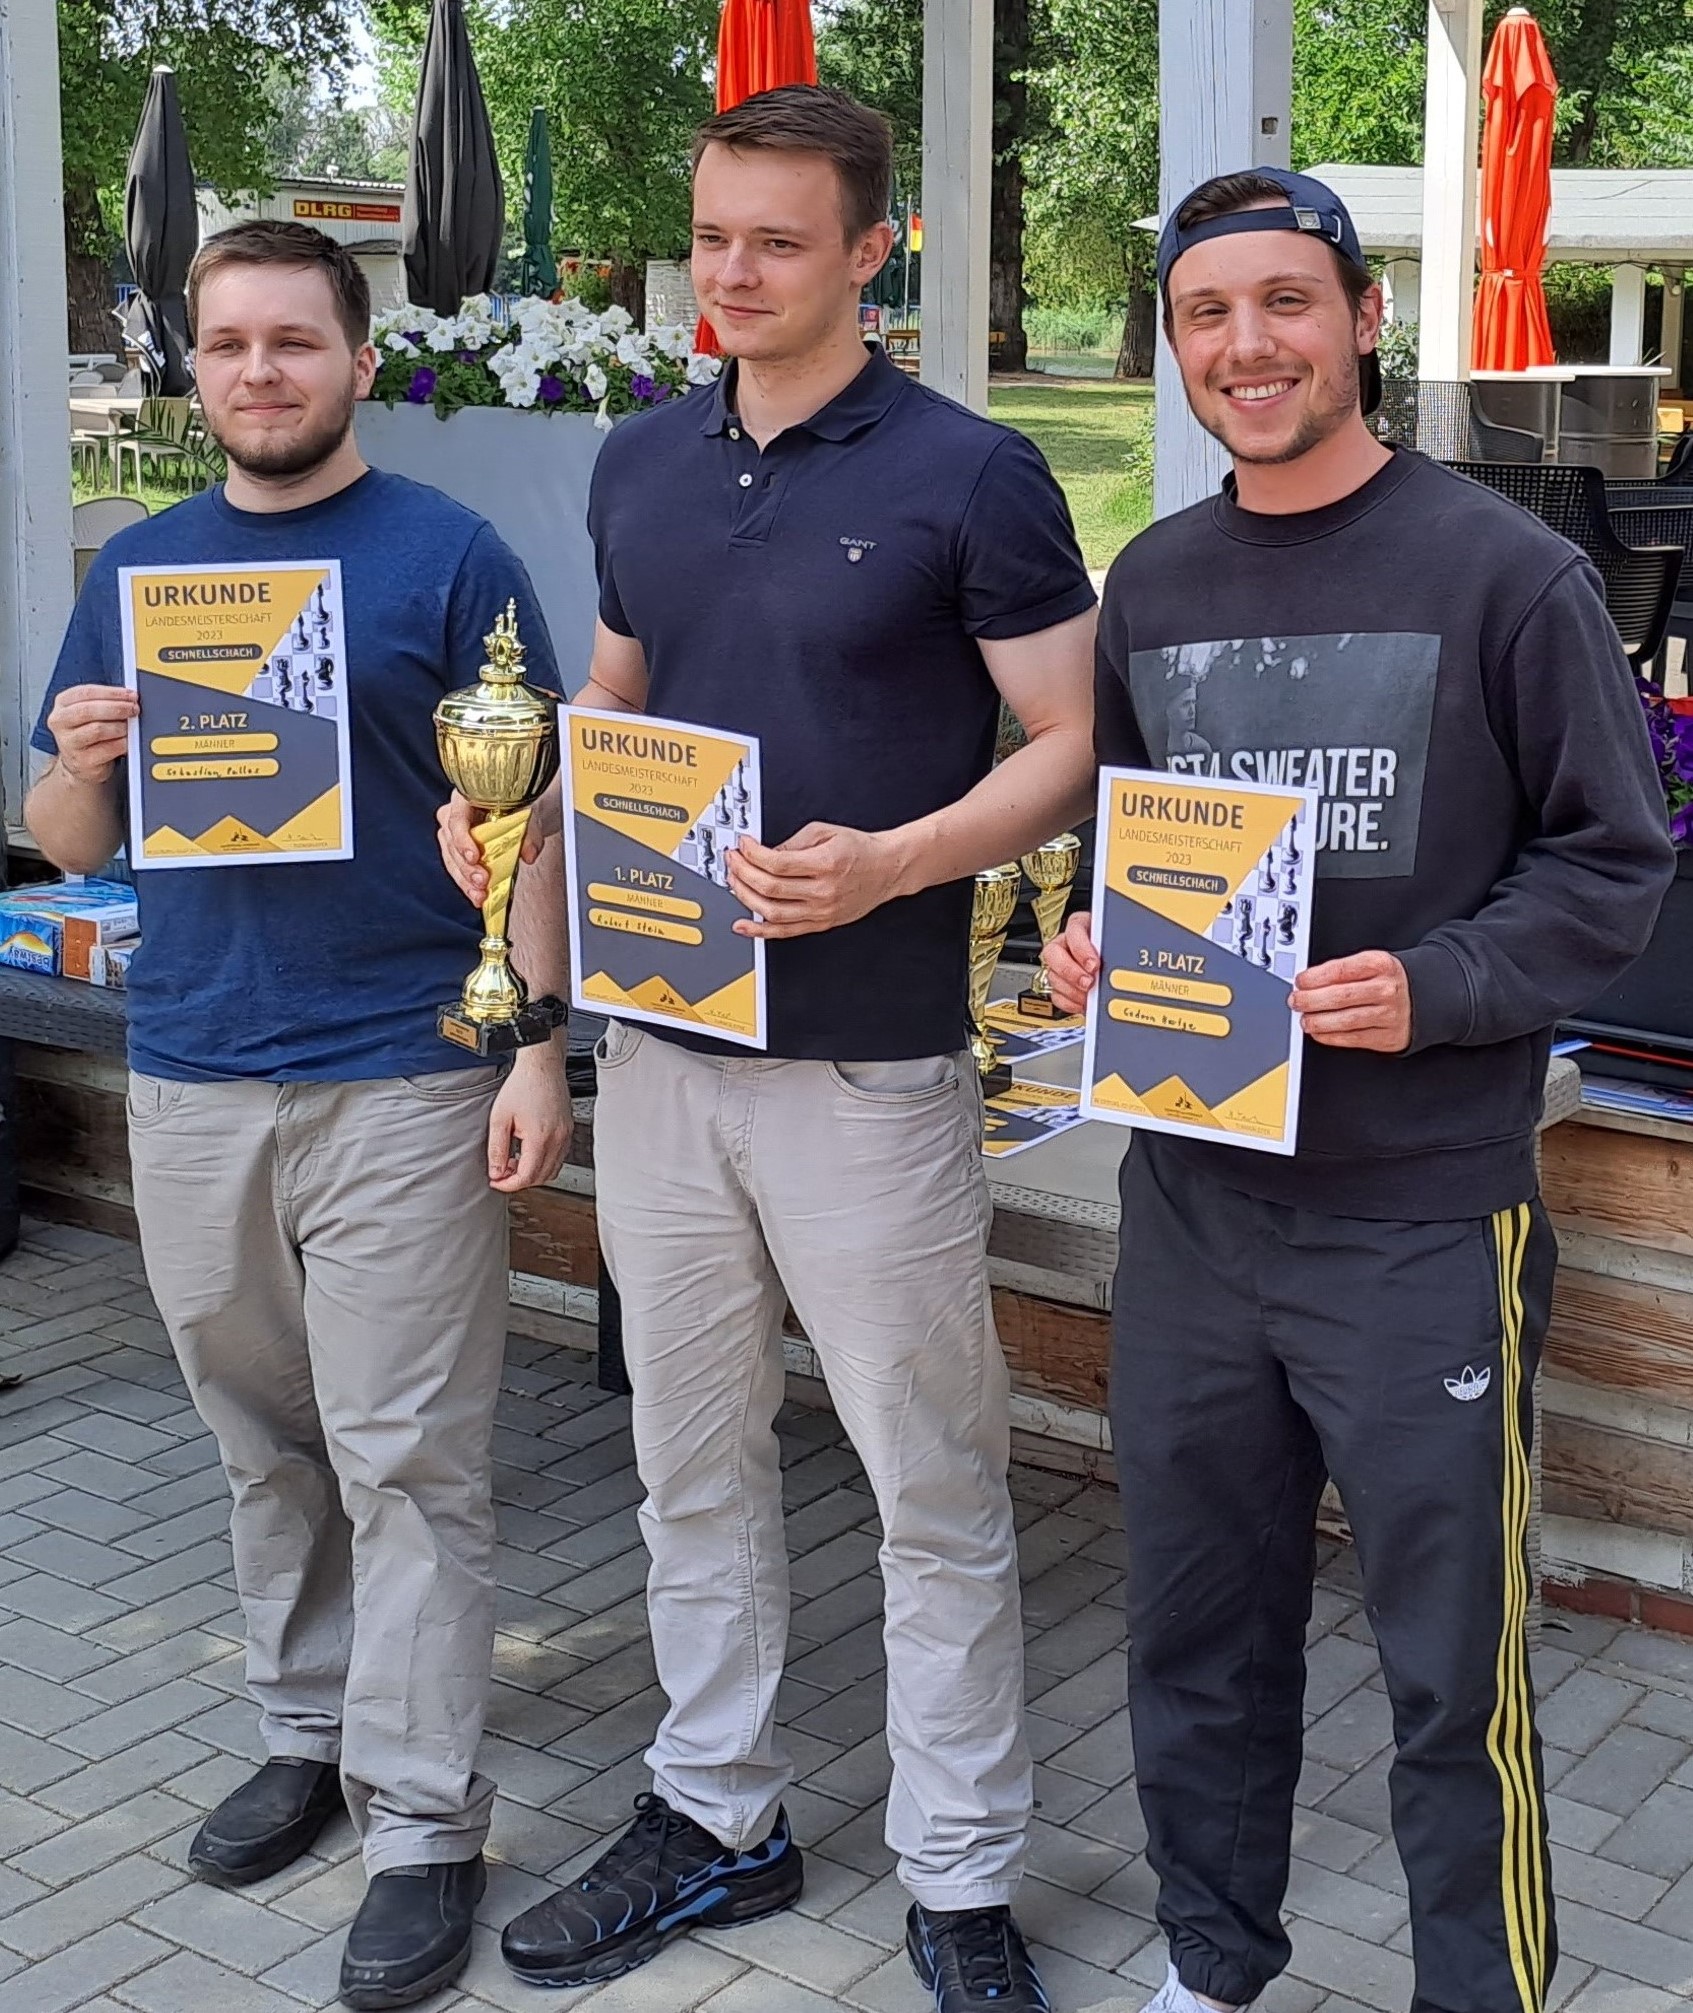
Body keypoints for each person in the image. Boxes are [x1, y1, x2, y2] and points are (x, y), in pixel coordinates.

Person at [439, 83, 1096, 2013]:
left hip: (868, 1072)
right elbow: (612, 712)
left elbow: (1073, 742)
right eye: (712, 235)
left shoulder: (974, 474)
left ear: (871, 251)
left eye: (778, 242)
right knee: (690, 1469)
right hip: (660, 1058)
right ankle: (718, 1812)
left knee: (930, 1487)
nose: (730, 273)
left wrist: (897, 859)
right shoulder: (640, 460)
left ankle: (960, 1873)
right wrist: (519, 825)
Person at [1045, 169, 1677, 2013]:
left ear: (1360, 320)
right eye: (1205, 312)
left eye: (1284, 302)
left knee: (1448, 1672)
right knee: (1194, 1633)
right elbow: (1138, 833)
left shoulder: (1503, 572)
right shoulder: (1155, 581)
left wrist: (1437, 985)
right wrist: (1095, 939)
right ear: (1175, 344)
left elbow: (1612, 860)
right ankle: (1210, 1961)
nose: (1245, 344)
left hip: (1417, 1217)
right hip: (1192, 1200)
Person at [26, 220, 573, 2012]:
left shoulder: (450, 554)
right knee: (261, 1432)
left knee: (406, 1450)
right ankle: (303, 1728)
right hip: (192, 1063)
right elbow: (67, 835)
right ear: (194, 367)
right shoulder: (144, 566)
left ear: (357, 360)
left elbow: (537, 822)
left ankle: (422, 1819)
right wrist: (84, 760)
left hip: (403, 1066)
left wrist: (535, 1041)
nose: (259, 372)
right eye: (228, 345)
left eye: (293, 341)